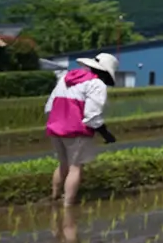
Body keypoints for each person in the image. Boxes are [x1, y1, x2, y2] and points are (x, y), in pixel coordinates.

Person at [45, 53, 115, 207]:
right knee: (75, 167)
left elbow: (49, 106)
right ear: (103, 72)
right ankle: (68, 205)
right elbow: (92, 115)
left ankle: (55, 195)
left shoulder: (65, 78)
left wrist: (57, 122)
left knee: (63, 163)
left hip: (55, 127)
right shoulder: (96, 84)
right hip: (76, 131)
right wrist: (105, 133)